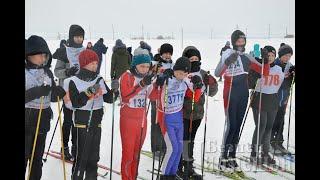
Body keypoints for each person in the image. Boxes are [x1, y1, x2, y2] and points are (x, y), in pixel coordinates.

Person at [214, 30, 270, 172]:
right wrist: (227, 62)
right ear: (234, 42)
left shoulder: (246, 57)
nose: (241, 43)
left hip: (243, 93)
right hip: (230, 93)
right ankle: (223, 157)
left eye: (243, 41)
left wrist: (266, 60)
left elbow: (264, 71)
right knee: (231, 125)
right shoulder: (227, 53)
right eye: (238, 41)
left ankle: (232, 156)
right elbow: (217, 73)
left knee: (238, 126)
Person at [64, 49, 117, 180]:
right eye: (91, 63)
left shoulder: (98, 79)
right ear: (83, 64)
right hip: (81, 124)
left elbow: (109, 99)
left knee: (94, 158)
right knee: (81, 158)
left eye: (96, 63)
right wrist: (90, 91)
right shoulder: (73, 81)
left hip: (96, 123)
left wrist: (115, 91)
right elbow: (76, 103)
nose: (95, 66)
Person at [25, 35, 66, 180]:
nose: (44, 58)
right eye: (41, 55)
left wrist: (57, 93)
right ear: (29, 54)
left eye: (45, 55)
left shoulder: (47, 72)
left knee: (37, 160)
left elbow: (51, 95)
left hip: (42, 121)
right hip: (27, 121)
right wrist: (37, 91)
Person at [177, 46, 218, 179]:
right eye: (191, 59)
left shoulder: (203, 73)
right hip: (184, 113)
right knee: (183, 140)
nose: (194, 61)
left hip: (197, 114)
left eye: (196, 59)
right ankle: (178, 166)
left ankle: (188, 166)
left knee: (191, 140)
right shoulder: (182, 72)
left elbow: (212, 92)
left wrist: (212, 83)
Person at [119, 48, 157, 180]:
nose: (145, 69)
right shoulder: (127, 76)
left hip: (142, 121)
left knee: (136, 154)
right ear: (135, 65)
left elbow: (153, 96)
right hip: (128, 120)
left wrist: (159, 84)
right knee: (128, 154)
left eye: (147, 67)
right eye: (142, 66)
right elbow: (125, 96)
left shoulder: (147, 78)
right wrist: (141, 84)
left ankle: (133, 177)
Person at [155, 57, 192, 179]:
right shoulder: (168, 79)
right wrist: (160, 78)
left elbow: (198, 89)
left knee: (180, 148)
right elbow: (156, 84)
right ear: (174, 70)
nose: (180, 75)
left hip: (178, 119)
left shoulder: (186, 81)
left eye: (183, 73)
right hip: (166, 119)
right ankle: (165, 175)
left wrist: (201, 82)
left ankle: (172, 173)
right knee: (172, 148)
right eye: (178, 72)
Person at [53, 24, 86, 160]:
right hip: (67, 93)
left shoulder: (85, 51)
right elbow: (56, 71)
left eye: (81, 37)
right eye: (77, 36)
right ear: (71, 37)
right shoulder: (64, 52)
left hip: (81, 92)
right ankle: (64, 147)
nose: (79, 39)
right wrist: (67, 72)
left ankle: (76, 147)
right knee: (68, 122)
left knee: (78, 121)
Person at [248, 46, 285, 165]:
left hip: (272, 100)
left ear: (275, 57)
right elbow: (251, 81)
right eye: (267, 55)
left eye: (272, 56)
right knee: (261, 126)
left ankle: (265, 154)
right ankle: (253, 154)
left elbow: (282, 83)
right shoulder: (260, 67)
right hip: (260, 99)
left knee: (269, 127)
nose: (269, 58)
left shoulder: (279, 69)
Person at [150, 43, 174, 160]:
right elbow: (150, 78)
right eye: (165, 53)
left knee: (165, 123)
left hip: (168, 98)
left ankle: (164, 147)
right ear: (161, 53)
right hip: (156, 96)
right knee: (156, 123)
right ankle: (156, 149)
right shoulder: (155, 64)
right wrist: (158, 76)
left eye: (169, 53)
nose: (167, 55)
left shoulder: (173, 65)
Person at [270, 43, 295, 156]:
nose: (287, 57)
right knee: (273, 121)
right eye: (285, 55)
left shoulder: (289, 66)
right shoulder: (275, 64)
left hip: (284, 98)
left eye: (289, 55)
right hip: (274, 97)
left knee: (281, 121)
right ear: (280, 55)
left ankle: (279, 142)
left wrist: (294, 75)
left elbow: (291, 82)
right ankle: (270, 142)